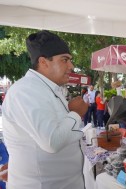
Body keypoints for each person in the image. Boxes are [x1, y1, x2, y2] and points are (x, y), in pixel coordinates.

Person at [2, 30, 88, 188]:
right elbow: (52, 141)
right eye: (65, 60)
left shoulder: (46, 89)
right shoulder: (26, 91)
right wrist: (76, 113)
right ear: (43, 62)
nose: (72, 66)